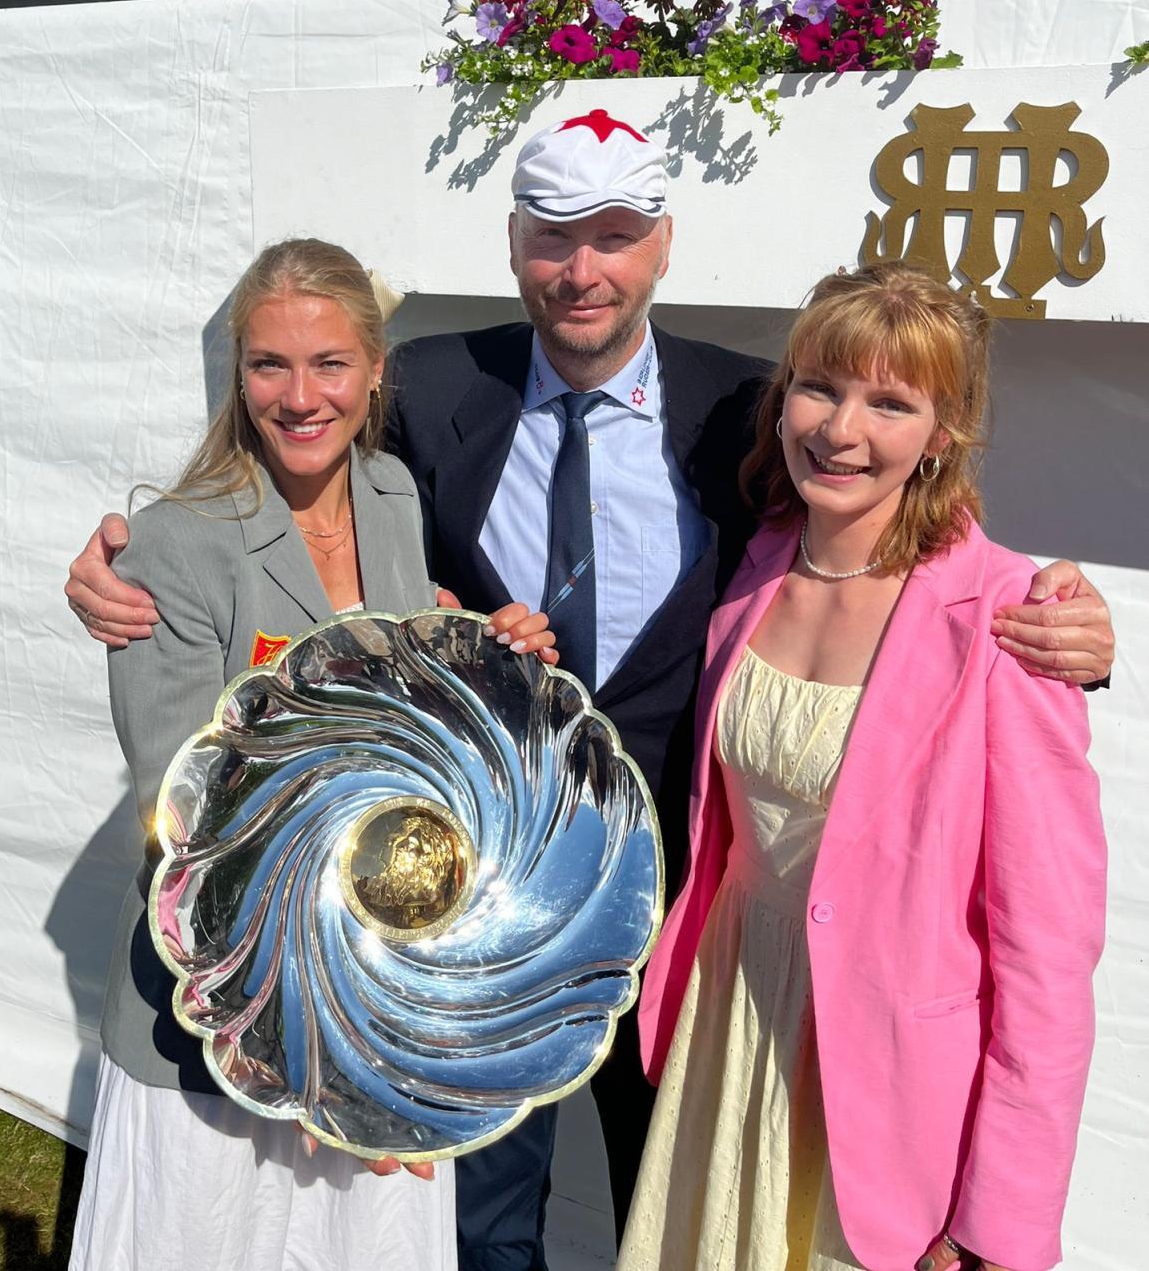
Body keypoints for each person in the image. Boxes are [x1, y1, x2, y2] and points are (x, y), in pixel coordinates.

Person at [65, 112, 1116, 1271]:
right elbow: (295, 471)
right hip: (469, 905)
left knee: (657, 1207)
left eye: (614, 235)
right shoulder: (428, 386)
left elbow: (907, 556)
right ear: (515, 242)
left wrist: (1065, 623)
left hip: (677, 922)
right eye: (554, 236)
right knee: (480, 1220)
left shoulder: (750, 410)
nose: (583, 270)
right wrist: (127, 562)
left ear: (663, 244)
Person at [69, 238, 555, 1271]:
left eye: (330, 363)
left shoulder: (391, 494)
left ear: (376, 370)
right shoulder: (176, 542)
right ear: (238, 374)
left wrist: (487, 657)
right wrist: (316, 1044)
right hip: (224, 1016)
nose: (299, 397)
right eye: (269, 365)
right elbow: (191, 823)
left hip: (379, 997)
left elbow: (406, 720)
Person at [622, 262, 1106, 1271]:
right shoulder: (754, 560)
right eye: (821, 387)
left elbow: (1047, 952)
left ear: (943, 433)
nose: (841, 430)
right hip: (727, 1022)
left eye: (890, 403)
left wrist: (1003, 1216)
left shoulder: (1008, 617)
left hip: (887, 1092)